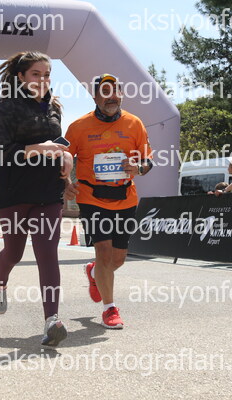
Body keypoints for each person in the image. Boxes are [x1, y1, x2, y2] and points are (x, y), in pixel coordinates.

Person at [0, 51, 73, 347]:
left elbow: (58, 142)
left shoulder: (54, 107)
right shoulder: (6, 108)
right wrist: (40, 148)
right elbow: (3, 153)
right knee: (14, 253)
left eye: (47, 74)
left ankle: (52, 321)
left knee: (47, 253)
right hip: (15, 190)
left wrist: (66, 157)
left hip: (48, 190)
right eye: (36, 74)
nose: (42, 79)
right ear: (21, 76)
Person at [64, 73, 154, 329]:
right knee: (103, 252)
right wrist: (65, 184)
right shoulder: (78, 127)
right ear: (95, 97)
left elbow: (148, 160)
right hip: (91, 197)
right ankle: (109, 309)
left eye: (115, 91)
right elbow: (63, 159)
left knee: (118, 259)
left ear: (121, 94)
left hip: (125, 198)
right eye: (105, 92)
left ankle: (94, 272)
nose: (111, 97)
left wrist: (139, 168)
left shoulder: (134, 124)